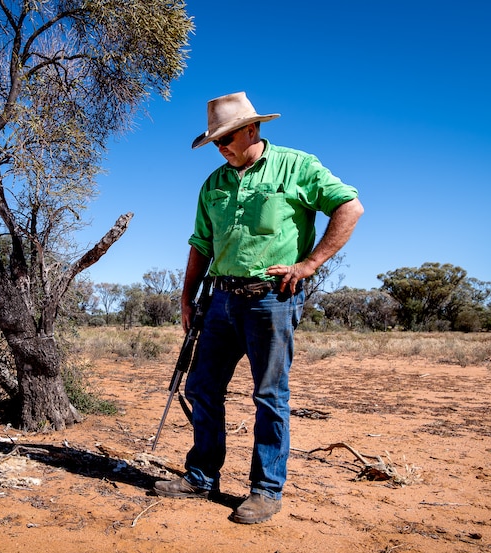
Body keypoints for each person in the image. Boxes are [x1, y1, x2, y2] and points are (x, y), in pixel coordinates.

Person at [153, 92, 364, 524]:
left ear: (252, 129)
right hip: (219, 300)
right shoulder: (213, 184)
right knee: (201, 387)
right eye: (215, 140)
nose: (221, 146)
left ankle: (266, 490)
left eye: (227, 137)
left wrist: (309, 265)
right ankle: (200, 476)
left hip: (272, 300)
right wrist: (187, 297)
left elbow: (350, 206)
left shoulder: (298, 166)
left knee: (269, 396)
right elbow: (200, 245)